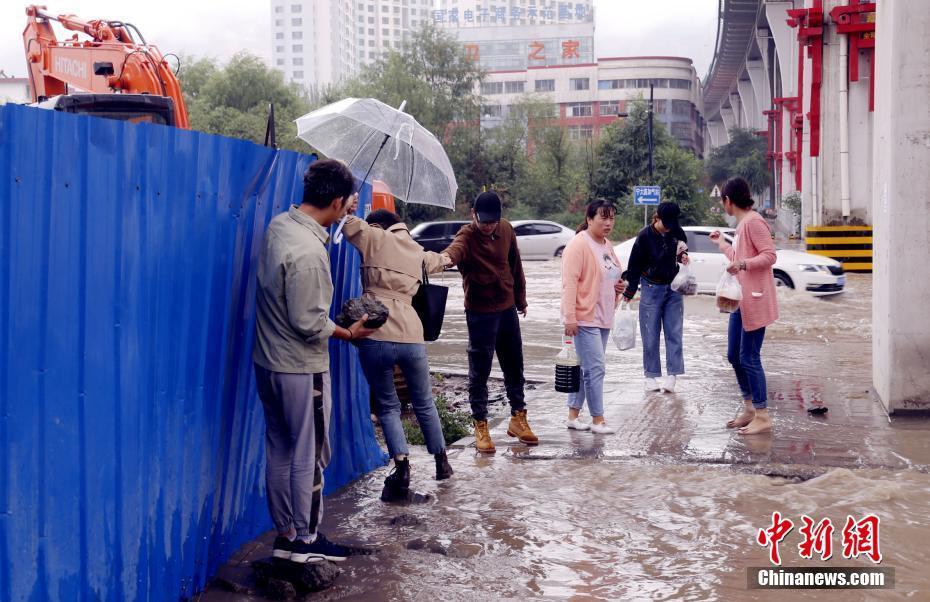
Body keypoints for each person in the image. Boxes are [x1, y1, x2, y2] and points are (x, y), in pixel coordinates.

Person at [252, 159, 378, 564]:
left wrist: (340, 212)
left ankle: (285, 534)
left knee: (280, 450)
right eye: (343, 205)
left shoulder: (281, 227)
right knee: (309, 453)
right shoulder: (310, 254)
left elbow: (320, 228)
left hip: (268, 362)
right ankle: (306, 540)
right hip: (301, 369)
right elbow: (309, 323)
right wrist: (348, 333)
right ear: (337, 200)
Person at [340, 206, 455, 502]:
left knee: (389, 406)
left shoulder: (373, 237)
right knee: (424, 402)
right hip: (412, 335)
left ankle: (402, 467)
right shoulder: (417, 251)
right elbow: (443, 260)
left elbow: (347, 223)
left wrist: (351, 205)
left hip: (375, 332)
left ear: (378, 225)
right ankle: (442, 462)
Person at [442, 191, 537, 453]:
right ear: (473, 215)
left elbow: (515, 265)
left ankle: (518, 417)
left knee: (514, 364)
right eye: (483, 222)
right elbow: (455, 251)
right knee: (480, 370)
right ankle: (480, 424)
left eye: (492, 222)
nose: (488, 226)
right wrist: (444, 260)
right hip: (480, 312)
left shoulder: (506, 230)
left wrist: (521, 300)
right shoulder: (467, 235)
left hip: (506, 307)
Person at [710, 177, 778, 435]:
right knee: (733, 356)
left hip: (755, 300)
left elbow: (770, 255)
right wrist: (722, 245)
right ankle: (749, 408)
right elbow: (739, 260)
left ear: (728, 200)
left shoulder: (754, 222)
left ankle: (762, 414)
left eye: (722, 201)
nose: (723, 205)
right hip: (741, 301)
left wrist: (743, 264)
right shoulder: (742, 226)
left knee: (749, 357)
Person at [560, 199, 627, 434]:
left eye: (612, 218)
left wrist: (618, 287)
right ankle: (598, 419)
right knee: (596, 368)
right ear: (589, 219)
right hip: (583, 317)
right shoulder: (578, 245)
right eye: (603, 217)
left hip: (603, 314)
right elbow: (569, 284)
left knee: (584, 368)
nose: (608, 223)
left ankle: (573, 415)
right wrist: (570, 317)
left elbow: (612, 274)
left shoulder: (607, 244)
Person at [621, 202, 691, 393]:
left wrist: (682, 257)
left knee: (674, 333)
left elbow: (682, 252)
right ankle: (651, 376)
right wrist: (630, 291)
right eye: (665, 222)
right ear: (657, 218)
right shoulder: (644, 236)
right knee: (650, 334)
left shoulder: (676, 231)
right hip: (651, 288)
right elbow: (634, 266)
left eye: (672, 223)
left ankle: (672, 375)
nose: (669, 227)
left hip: (674, 289)